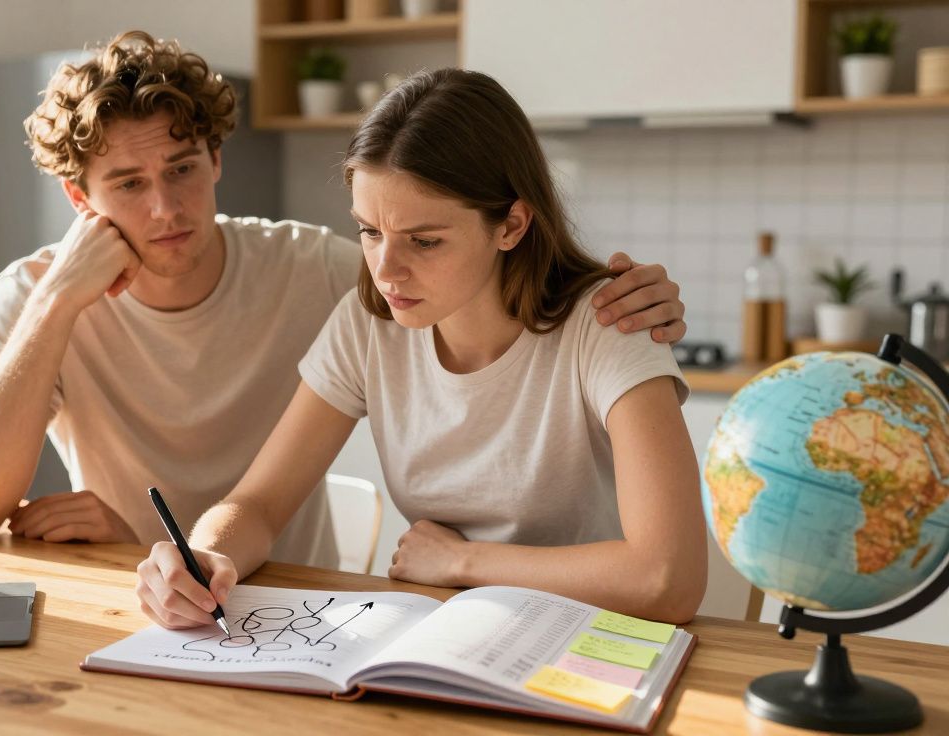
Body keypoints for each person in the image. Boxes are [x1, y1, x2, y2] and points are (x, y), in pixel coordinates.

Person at [0, 32, 691, 570]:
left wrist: (628, 300)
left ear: (217, 159)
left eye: (183, 169)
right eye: (128, 185)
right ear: (77, 199)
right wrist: (59, 298)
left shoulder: (326, 275)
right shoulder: (34, 294)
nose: (165, 208)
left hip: (318, 599)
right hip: (184, 595)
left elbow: (663, 573)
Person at [135, 68, 707, 624]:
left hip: (593, 638)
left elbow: (667, 580)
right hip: (449, 632)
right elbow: (258, 504)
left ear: (511, 225)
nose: (386, 272)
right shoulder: (369, 324)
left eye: (425, 241)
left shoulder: (607, 322)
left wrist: (463, 562)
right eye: (369, 231)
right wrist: (206, 555)